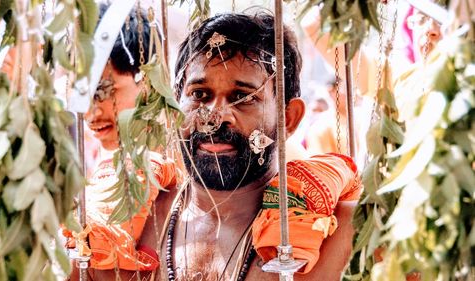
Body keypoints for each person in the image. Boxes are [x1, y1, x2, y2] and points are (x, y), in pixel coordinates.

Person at [139, 12, 361, 281]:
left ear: (288, 118)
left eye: (242, 97)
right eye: (199, 94)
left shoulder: (345, 235)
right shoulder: (134, 219)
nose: (215, 117)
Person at [65, 3, 177, 280]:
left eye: (104, 92)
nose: (91, 114)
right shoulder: (108, 166)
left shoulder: (188, 164)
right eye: (83, 96)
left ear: (149, 82)